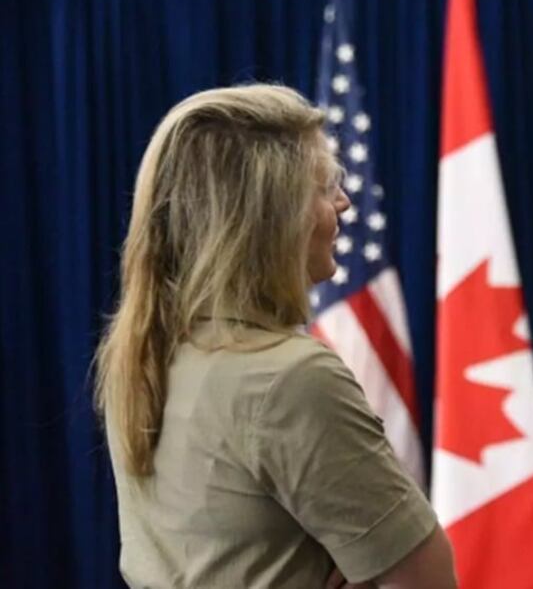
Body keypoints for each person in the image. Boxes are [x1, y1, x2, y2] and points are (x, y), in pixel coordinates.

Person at [95, 85, 457, 589]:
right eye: (325, 186)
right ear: (272, 216)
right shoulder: (290, 377)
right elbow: (428, 581)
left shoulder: (144, 352)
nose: (345, 202)